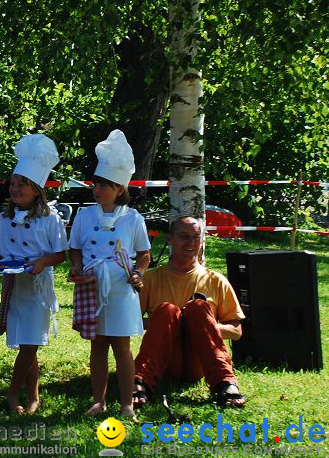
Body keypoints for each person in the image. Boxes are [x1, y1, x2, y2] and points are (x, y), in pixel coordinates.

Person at [68, 129, 150, 418]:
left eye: (105, 185)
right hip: (92, 286)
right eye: (96, 183)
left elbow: (144, 253)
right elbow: (75, 248)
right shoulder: (84, 215)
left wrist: (138, 273)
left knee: (122, 347)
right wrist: (76, 267)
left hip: (120, 291)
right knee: (98, 344)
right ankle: (98, 400)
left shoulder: (132, 218)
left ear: (119, 189)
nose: (97, 189)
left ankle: (127, 403)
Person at [0, 134, 67, 415]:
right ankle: (34, 395)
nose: (15, 188)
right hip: (15, 285)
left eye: (23, 184)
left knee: (31, 343)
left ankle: (12, 393)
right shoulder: (4, 219)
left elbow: (61, 254)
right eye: (13, 184)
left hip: (38, 288)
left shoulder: (50, 218)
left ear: (36, 189)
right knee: (26, 341)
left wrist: (43, 262)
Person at [133, 216, 246, 409]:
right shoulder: (151, 279)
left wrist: (200, 325)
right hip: (164, 360)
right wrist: (171, 323)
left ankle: (225, 384)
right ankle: (141, 382)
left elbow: (236, 332)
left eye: (196, 237)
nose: (191, 242)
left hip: (200, 361)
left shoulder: (217, 280)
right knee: (168, 310)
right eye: (184, 236)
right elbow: (131, 323)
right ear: (170, 239)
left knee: (198, 307)